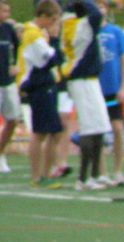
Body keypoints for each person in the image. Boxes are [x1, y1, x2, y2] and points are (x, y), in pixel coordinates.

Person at [61, 0, 113, 191]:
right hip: (81, 80)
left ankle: (95, 174)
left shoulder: (77, 23)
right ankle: (83, 179)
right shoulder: (78, 25)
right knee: (90, 128)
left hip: (90, 79)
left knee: (99, 127)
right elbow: (97, 15)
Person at [18, 0, 63, 189]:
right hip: (39, 86)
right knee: (40, 133)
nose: (54, 24)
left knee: (54, 131)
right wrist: (54, 39)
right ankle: (38, 176)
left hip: (46, 85)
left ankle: (46, 172)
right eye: (52, 19)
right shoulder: (33, 35)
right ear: (43, 17)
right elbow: (52, 59)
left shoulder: (36, 34)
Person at [96, 0, 124, 187]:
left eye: (102, 5)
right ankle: (102, 172)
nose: (100, 8)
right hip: (94, 89)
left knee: (117, 128)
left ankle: (118, 170)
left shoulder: (116, 32)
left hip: (113, 89)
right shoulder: (87, 32)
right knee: (98, 131)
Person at [0, 0, 20, 174]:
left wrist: (15, 64)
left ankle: (0, 153)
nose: (7, 15)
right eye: (4, 11)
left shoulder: (8, 29)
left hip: (8, 81)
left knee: (13, 119)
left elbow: (17, 48)